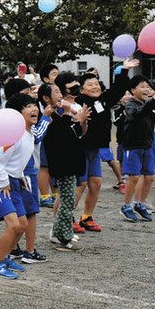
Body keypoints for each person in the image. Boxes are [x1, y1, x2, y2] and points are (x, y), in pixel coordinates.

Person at [73, 61, 137, 231]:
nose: (95, 87)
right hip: (81, 150)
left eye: (96, 84)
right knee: (80, 185)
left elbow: (117, 90)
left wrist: (124, 70)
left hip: (97, 149)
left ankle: (86, 217)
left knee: (96, 183)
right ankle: (68, 217)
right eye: (90, 84)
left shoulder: (103, 100)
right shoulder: (79, 102)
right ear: (82, 89)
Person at [0, 93, 42, 279]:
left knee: (22, 224)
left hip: (14, 181)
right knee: (13, 225)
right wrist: (4, 182)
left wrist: (20, 176)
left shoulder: (28, 134)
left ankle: (6, 256)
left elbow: (16, 161)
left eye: (34, 105)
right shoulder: (14, 135)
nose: (34, 109)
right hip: (0, 183)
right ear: (17, 113)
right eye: (28, 106)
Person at [118, 75, 155, 221]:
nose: (146, 89)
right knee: (134, 178)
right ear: (132, 90)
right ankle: (126, 206)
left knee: (149, 177)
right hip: (132, 146)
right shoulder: (131, 105)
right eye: (142, 86)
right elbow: (138, 114)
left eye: (147, 86)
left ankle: (140, 204)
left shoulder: (149, 104)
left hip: (147, 145)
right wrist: (151, 101)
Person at [39, 83, 90, 250]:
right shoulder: (48, 114)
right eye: (56, 92)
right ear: (46, 98)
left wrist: (81, 121)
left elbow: (78, 133)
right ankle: (64, 237)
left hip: (69, 162)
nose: (60, 95)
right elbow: (61, 133)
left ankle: (56, 232)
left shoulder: (59, 113)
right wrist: (69, 113)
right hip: (62, 164)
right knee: (67, 202)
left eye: (60, 91)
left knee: (67, 201)